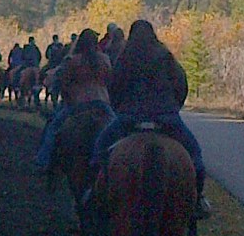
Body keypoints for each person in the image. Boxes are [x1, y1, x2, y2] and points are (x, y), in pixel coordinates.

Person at [88, 19, 210, 217]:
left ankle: (93, 192)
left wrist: (120, 109)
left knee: (99, 150)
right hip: (166, 117)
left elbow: (114, 86)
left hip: (129, 117)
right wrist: (173, 107)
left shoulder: (125, 56)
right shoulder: (165, 56)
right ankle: (198, 199)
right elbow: (181, 84)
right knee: (195, 155)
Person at [35, 29, 115, 171]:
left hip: (77, 105)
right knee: (116, 131)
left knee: (53, 128)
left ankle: (43, 160)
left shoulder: (72, 60)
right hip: (102, 104)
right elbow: (111, 82)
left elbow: (62, 82)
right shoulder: (104, 60)